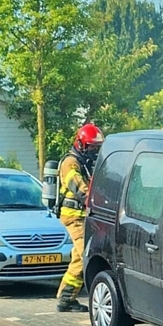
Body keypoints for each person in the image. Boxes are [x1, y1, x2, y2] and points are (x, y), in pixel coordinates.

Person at [55, 123, 104, 312]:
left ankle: (65, 299)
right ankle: (66, 299)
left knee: (78, 258)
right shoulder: (71, 163)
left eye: (97, 147)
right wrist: (96, 199)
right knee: (87, 254)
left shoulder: (87, 162)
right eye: (91, 146)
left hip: (83, 216)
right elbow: (79, 188)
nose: (94, 150)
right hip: (74, 217)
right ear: (81, 144)